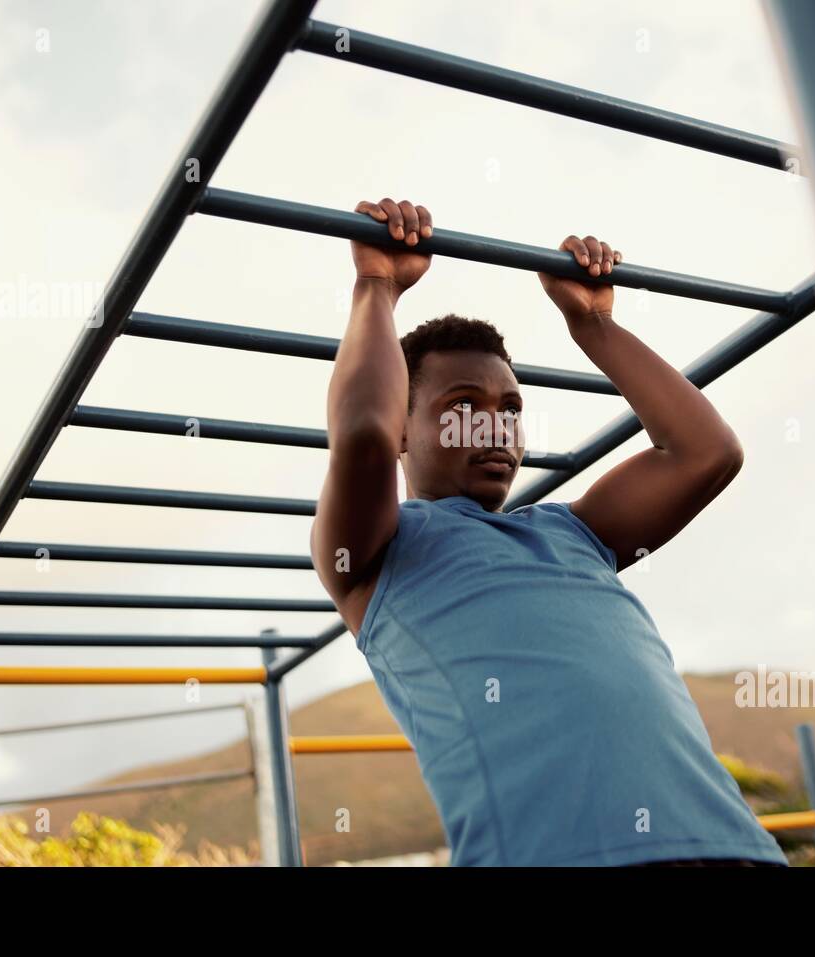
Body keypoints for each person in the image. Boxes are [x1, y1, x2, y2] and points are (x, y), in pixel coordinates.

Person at [310, 196, 788, 868]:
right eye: (462, 407)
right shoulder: (379, 555)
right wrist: (377, 287)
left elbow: (708, 453)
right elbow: (359, 436)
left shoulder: (576, 530)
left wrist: (594, 326)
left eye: (510, 409)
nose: (495, 427)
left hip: (737, 851)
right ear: (403, 428)